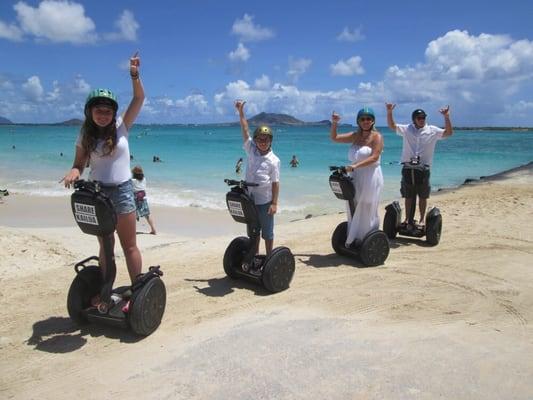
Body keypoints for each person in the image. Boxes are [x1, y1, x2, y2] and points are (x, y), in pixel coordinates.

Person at [62, 51, 145, 286]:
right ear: (90, 112)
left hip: (122, 191)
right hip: (97, 194)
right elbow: (79, 164)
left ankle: (137, 289)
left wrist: (134, 74)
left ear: (113, 113)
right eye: (98, 110)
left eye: (107, 111)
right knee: (106, 246)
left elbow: (138, 99)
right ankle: (105, 290)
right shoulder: (85, 134)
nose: (103, 115)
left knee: (129, 245)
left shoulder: (121, 126)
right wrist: (74, 172)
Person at [386, 103, 453, 226]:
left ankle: (422, 219)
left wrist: (447, 117)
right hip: (408, 168)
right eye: (419, 118)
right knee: (408, 195)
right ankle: (407, 219)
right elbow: (392, 126)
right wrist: (389, 111)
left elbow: (448, 133)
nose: (422, 120)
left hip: (424, 169)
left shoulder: (432, 130)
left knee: (423, 196)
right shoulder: (407, 129)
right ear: (414, 119)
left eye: (423, 117)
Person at [330, 107, 384, 247]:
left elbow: (374, 157)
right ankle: (354, 237)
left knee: (366, 205)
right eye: (362, 119)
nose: (366, 121)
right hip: (355, 175)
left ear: (373, 121)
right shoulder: (355, 136)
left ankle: (367, 238)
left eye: (368, 119)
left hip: (370, 175)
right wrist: (335, 123)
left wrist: (354, 166)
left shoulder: (377, 137)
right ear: (358, 121)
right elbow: (334, 138)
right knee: (352, 204)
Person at [235, 100, 280, 259]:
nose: (262, 142)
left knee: (267, 232)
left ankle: (269, 258)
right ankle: (255, 255)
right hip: (250, 199)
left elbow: (275, 183)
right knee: (253, 231)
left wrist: (274, 203)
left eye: (266, 139)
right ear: (255, 140)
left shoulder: (274, 160)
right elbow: (245, 129)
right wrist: (241, 112)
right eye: (260, 139)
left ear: (270, 141)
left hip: (265, 202)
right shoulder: (251, 150)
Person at [132, 165, 157, 234]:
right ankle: (153, 229)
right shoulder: (144, 179)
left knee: (133, 215)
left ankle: (131, 230)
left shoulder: (133, 180)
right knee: (147, 215)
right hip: (143, 198)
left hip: (136, 199)